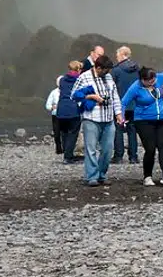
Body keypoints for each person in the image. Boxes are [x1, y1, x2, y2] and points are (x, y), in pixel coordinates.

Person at [72, 54, 125, 186]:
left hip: (108, 118)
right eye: (106, 70)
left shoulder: (108, 77)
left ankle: (102, 173)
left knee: (107, 149)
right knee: (91, 149)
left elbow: (115, 97)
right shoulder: (84, 77)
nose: (108, 73)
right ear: (98, 67)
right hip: (91, 118)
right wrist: (93, 97)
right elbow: (74, 95)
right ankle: (92, 176)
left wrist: (118, 114)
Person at [110, 46, 141, 166]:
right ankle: (133, 157)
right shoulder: (138, 69)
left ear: (123, 55)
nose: (116, 57)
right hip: (134, 105)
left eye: (117, 55)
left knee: (118, 129)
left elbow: (111, 87)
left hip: (120, 105)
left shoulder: (116, 70)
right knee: (132, 130)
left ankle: (118, 156)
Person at [55, 61, 84, 163]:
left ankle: (66, 154)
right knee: (73, 133)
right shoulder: (79, 80)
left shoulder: (62, 80)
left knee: (64, 133)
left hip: (61, 109)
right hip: (73, 109)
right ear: (78, 70)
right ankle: (68, 156)